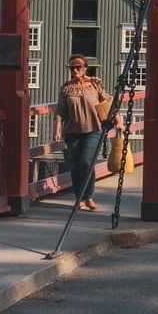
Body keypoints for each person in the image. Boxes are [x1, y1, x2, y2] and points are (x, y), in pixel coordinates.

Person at [55, 56, 115, 212]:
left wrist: (117, 121)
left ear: (85, 68)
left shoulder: (94, 84)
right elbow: (60, 111)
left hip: (93, 130)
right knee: (75, 166)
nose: (75, 70)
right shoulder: (66, 88)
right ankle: (79, 198)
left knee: (86, 162)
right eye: (72, 68)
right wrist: (57, 130)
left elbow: (108, 101)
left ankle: (89, 196)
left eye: (78, 67)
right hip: (72, 132)